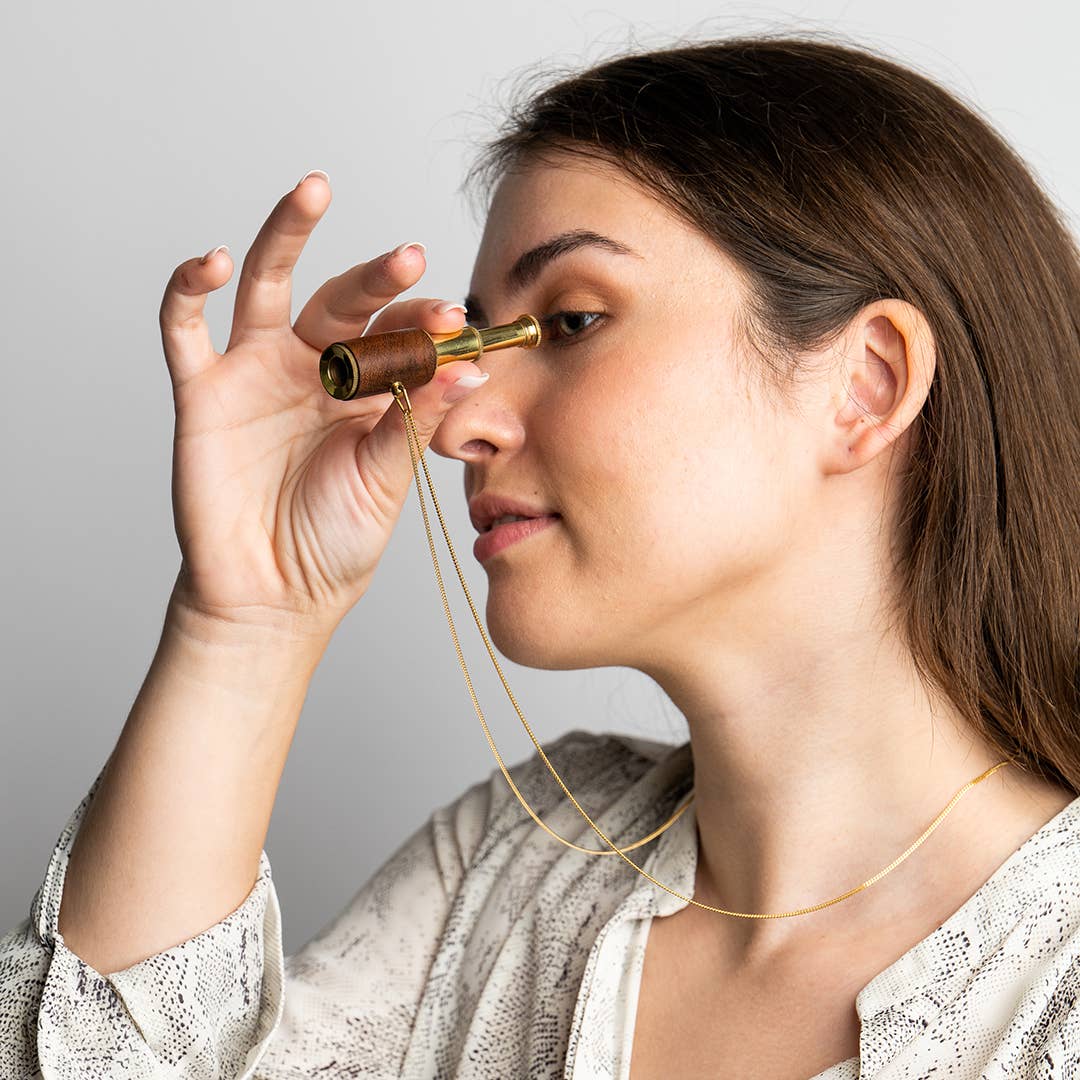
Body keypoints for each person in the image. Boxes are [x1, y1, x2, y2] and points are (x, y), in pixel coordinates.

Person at [2, 31, 1078, 1080]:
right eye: (472, 343)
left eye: (566, 324)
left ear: (868, 385)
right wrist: (249, 620)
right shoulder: (511, 867)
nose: (459, 422)